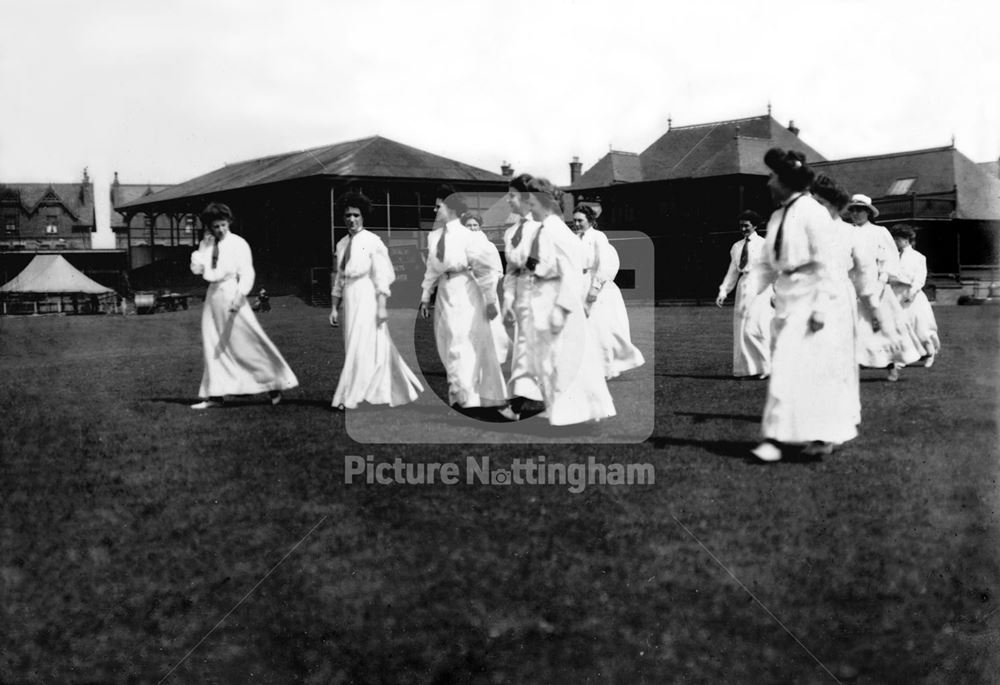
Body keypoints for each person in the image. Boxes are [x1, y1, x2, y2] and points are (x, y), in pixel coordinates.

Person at [751, 149, 859, 462]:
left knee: (815, 368)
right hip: (788, 297)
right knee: (789, 369)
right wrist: (750, 293)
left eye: (772, 177)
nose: (769, 183)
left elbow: (828, 264)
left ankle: (824, 436)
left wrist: (821, 309)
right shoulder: (776, 217)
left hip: (814, 298)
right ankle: (791, 434)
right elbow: (765, 262)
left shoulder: (814, 213)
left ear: (785, 181)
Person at [504, 176, 616, 426]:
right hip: (549, 303)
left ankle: (573, 413)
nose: (529, 208)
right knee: (556, 362)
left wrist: (562, 308)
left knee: (565, 361)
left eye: (532, 203)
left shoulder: (555, 231)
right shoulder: (548, 229)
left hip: (559, 306)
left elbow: (569, 274)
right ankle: (568, 410)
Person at [189, 202, 298, 409]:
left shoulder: (239, 243)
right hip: (213, 296)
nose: (220, 230)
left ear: (229, 222)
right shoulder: (207, 243)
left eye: (223, 225)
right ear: (209, 227)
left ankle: (274, 385)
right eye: (215, 226)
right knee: (213, 344)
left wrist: (240, 295)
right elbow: (196, 269)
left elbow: (247, 272)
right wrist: (201, 249)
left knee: (246, 341)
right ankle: (215, 396)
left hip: (232, 292)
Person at [330, 191, 423, 409]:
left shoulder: (373, 242)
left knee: (361, 345)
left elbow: (382, 276)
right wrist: (334, 308)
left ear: (363, 216)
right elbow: (339, 279)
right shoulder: (342, 244)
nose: (351, 219)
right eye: (347, 216)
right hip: (350, 300)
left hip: (368, 296)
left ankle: (349, 397)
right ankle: (374, 391)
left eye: (356, 215)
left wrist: (381, 306)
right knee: (357, 345)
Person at [418, 186, 508, 412]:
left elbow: (486, 268)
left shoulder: (469, 236)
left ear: (451, 207)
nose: (435, 209)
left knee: (461, 342)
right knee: (447, 343)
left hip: (465, 289)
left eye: (439, 206)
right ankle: (460, 395)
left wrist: (489, 300)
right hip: (444, 292)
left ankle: (466, 399)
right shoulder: (434, 236)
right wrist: (426, 294)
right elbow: (431, 267)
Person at [810, 174, 881, 430]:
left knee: (837, 360)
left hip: (839, 301)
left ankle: (839, 418)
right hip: (808, 302)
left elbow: (863, 274)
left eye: (819, 201)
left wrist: (874, 309)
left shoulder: (850, 233)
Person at [846, 194, 923, 381]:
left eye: (860, 210)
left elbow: (889, 258)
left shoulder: (879, 232)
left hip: (875, 284)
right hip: (851, 284)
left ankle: (892, 365)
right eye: (853, 210)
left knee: (885, 325)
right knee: (853, 326)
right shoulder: (846, 231)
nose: (855, 214)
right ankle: (853, 367)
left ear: (868, 212)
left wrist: (882, 280)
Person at [571, 204, 645, 379]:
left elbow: (605, 263)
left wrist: (595, 288)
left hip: (595, 285)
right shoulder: (574, 238)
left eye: (580, 220)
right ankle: (586, 367)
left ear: (590, 220)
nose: (576, 224)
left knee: (600, 326)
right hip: (578, 284)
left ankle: (608, 366)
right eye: (574, 220)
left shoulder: (598, 237)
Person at [502, 174, 546, 417]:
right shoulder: (510, 234)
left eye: (512, 196)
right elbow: (510, 270)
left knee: (534, 350)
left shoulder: (542, 227)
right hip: (521, 295)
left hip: (541, 295)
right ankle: (518, 404)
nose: (509, 200)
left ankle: (516, 405)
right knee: (525, 349)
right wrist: (508, 300)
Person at [715, 209, 774, 379]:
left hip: (761, 287)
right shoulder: (737, 246)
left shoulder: (764, 244)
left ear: (755, 226)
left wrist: (776, 291)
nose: (743, 229)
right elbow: (733, 271)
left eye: (746, 226)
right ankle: (747, 369)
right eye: (741, 226)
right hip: (744, 286)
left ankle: (765, 367)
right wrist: (723, 291)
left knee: (757, 327)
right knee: (741, 329)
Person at [461, 210, 511, 365]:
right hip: (466, 291)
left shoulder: (488, 246)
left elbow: (497, 270)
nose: (472, 228)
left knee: (490, 325)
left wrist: (490, 291)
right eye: (469, 225)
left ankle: (495, 357)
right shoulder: (460, 246)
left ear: (480, 227)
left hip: (486, 291)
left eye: (475, 225)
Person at [890, 224, 940, 368]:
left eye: (898, 239)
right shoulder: (893, 256)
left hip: (912, 295)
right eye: (894, 239)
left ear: (906, 240)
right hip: (896, 294)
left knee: (920, 327)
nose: (895, 242)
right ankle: (902, 357)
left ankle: (930, 354)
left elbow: (919, 279)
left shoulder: (918, 257)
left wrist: (911, 294)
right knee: (899, 326)